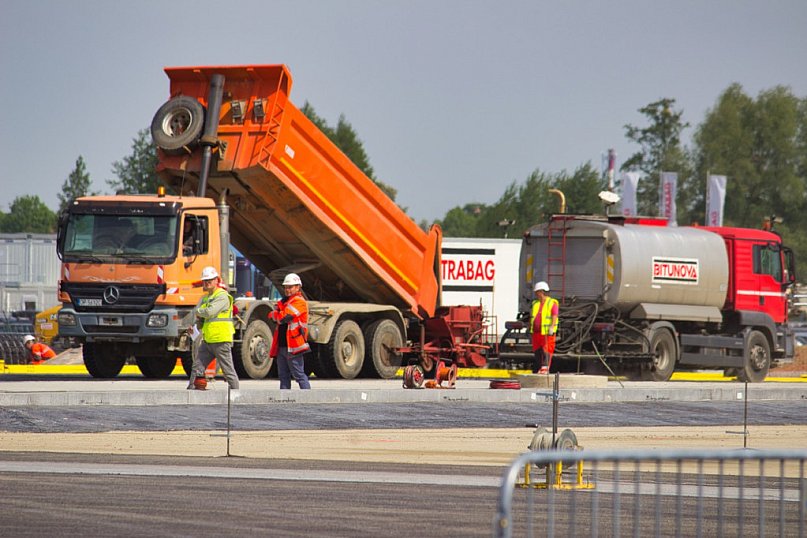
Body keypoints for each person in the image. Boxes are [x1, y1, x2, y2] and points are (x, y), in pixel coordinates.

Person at [188, 266, 240, 391]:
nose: (207, 283)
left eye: (210, 280)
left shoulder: (222, 296)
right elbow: (203, 319)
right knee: (197, 367)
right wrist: (194, 327)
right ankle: (191, 392)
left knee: (228, 371)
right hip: (208, 340)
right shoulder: (207, 298)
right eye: (205, 281)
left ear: (216, 280)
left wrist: (198, 311)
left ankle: (236, 395)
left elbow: (209, 312)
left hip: (221, 340)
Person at [268, 273, 311, 389]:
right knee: (283, 376)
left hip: (294, 345)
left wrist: (275, 314)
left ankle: (308, 397)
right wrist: (276, 314)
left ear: (298, 287)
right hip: (282, 345)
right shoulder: (284, 302)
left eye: (290, 287)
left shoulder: (299, 302)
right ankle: (284, 398)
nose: (287, 289)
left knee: (299, 375)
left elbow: (283, 318)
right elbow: (273, 316)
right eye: (286, 287)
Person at [530, 281, 559, 374]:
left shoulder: (551, 303)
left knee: (547, 350)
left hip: (546, 332)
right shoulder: (535, 303)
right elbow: (533, 316)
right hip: (536, 332)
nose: (536, 294)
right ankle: (540, 367)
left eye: (537, 292)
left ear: (542, 292)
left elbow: (554, 315)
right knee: (537, 350)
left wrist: (552, 327)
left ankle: (545, 368)